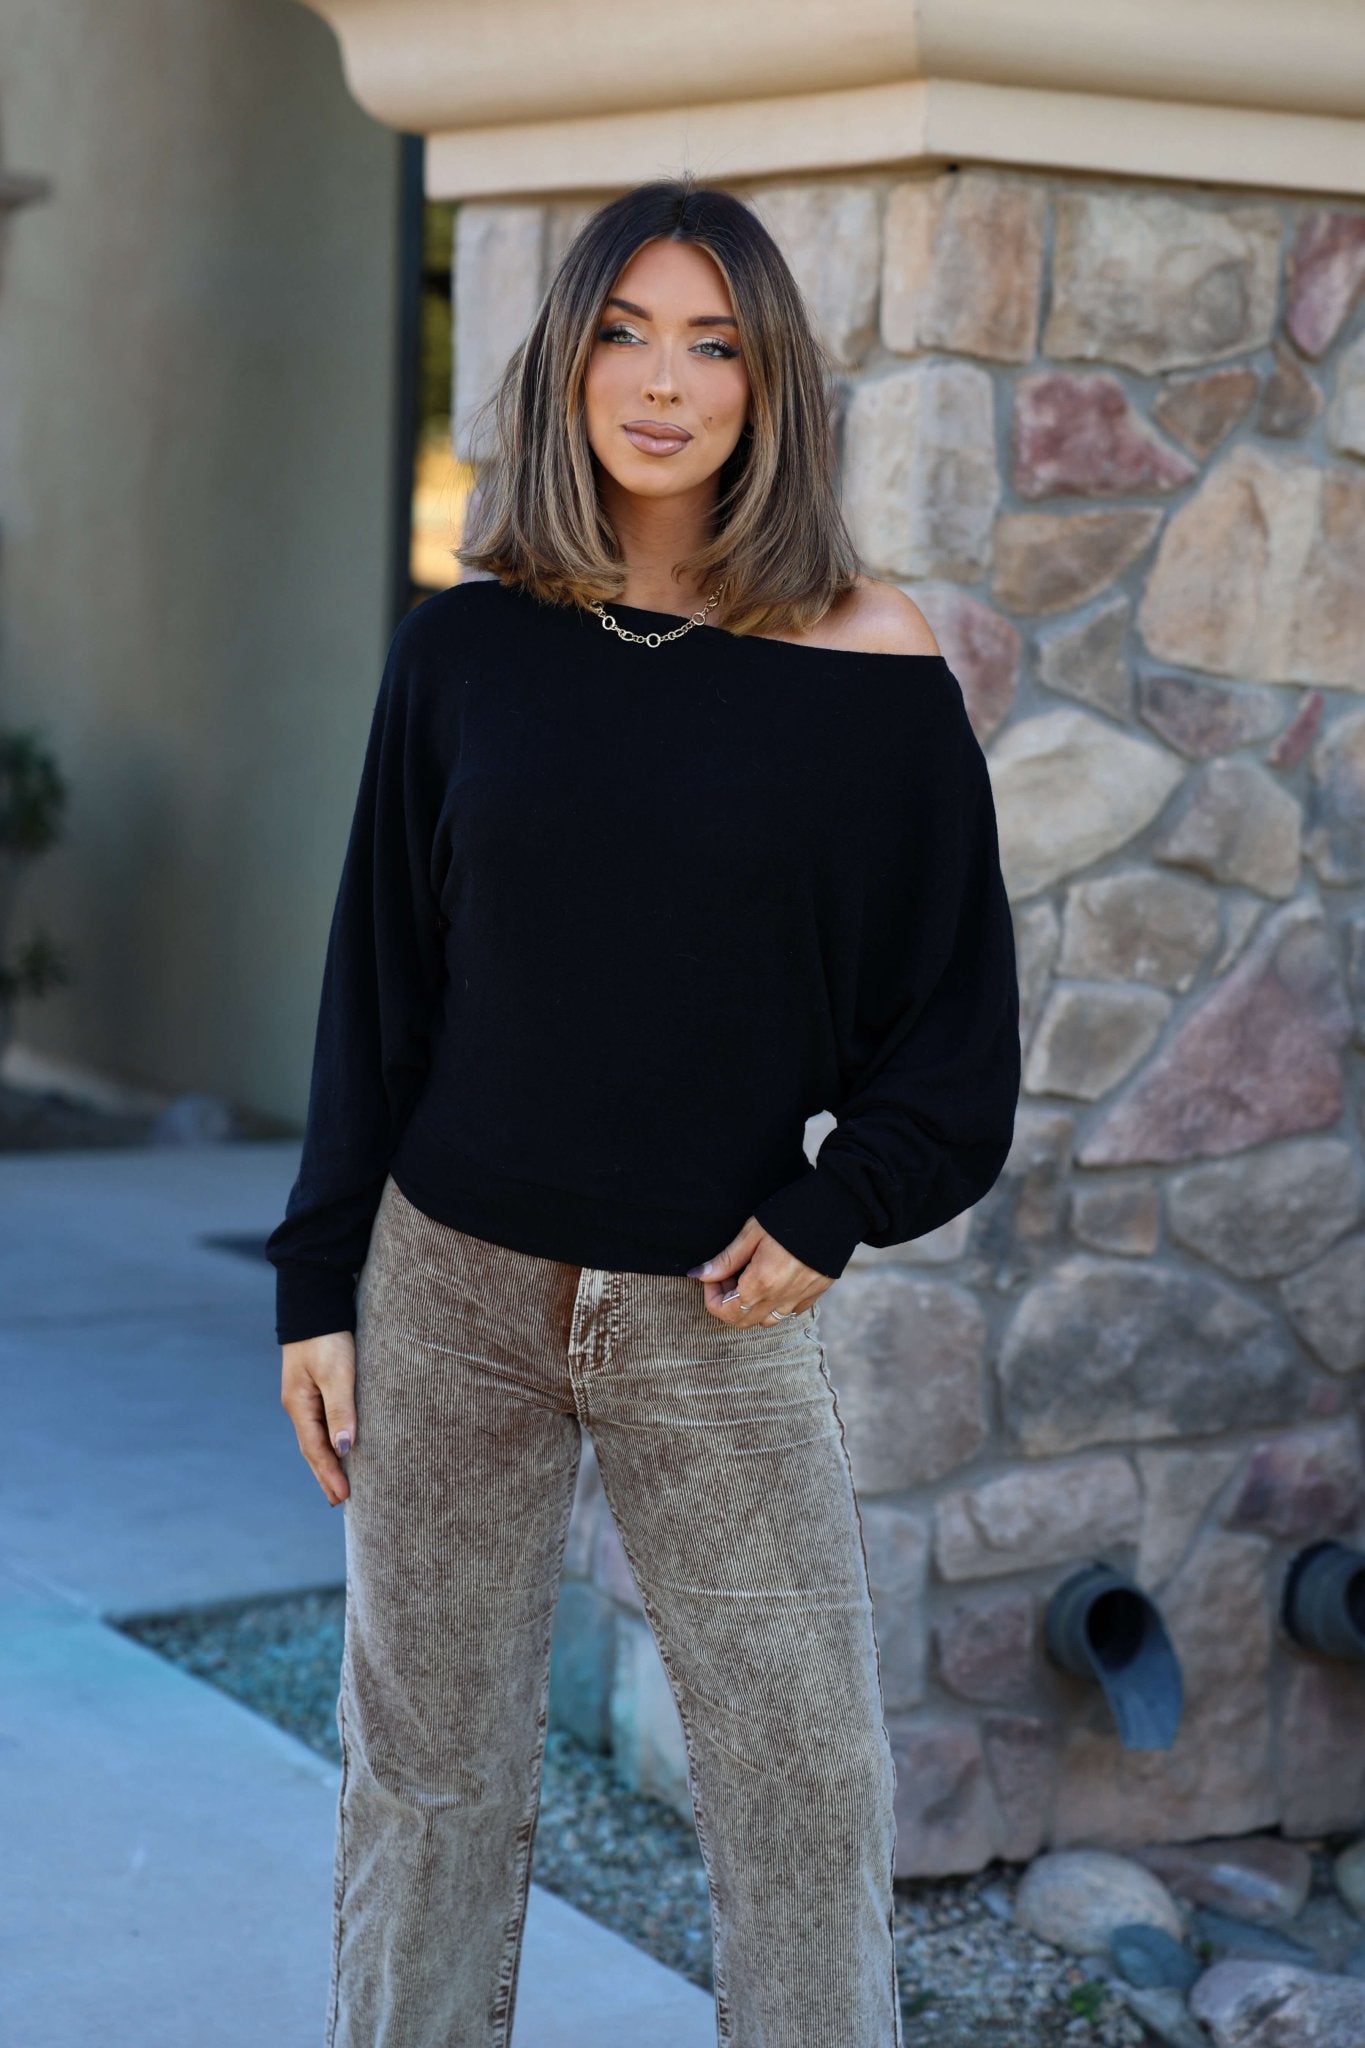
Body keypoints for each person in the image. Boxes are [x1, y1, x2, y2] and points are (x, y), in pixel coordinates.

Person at [267, 174, 1020, 2048]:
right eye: (622, 332)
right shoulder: (468, 649)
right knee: (426, 1790)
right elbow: (379, 987)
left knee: (802, 1795)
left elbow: (955, 1037)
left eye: (712, 341)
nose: (661, 383)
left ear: (769, 386)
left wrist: (839, 1214)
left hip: (717, 1304)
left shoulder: (867, 663)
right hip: (446, 1287)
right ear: (567, 360)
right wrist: (313, 1281)